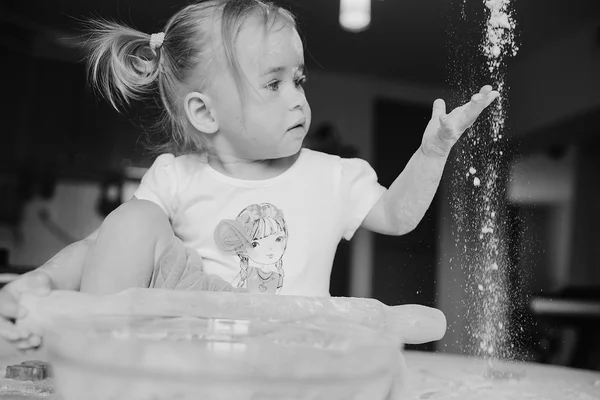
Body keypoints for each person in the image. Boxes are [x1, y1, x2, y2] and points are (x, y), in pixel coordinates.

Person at [0, 0, 499, 350]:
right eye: (273, 83)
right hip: (193, 342)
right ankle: (94, 359)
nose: (297, 97)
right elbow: (99, 247)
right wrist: (41, 280)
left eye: (298, 78)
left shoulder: (330, 175)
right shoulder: (176, 177)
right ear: (205, 113)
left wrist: (432, 152)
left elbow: (397, 216)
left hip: (293, 346)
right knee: (131, 220)